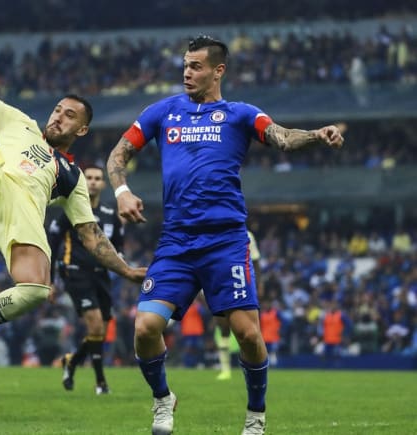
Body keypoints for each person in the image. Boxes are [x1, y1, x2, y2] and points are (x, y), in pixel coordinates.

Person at [106, 35, 344, 435]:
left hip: (226, 241)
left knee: (248, 335)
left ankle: (255, 416)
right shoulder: (163, 112)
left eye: (196, 66)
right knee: (145, 328)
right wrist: (122, 191)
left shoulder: (240, 114)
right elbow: (118, 154)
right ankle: (163, 400)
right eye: (185, 64)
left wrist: (317, 134)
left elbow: (282, 138)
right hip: (177, 241)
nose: (187, 72)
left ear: (218, 71)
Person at [0, 10, 146, 379]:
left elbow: (90, 236)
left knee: (36, 291)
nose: (58, 117)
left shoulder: (71, 176)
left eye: (69, 115)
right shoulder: (21, 122)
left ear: (83, 128)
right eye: (58, 109)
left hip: (19, 213)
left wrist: (125, 270)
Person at [47, 165, 124, 395]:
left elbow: (117, 249)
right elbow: (52, 242)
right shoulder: (71, 210)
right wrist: (50, 280)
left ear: (103, 184)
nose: (92, 181)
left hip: (101, 275)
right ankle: (101, 382)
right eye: (88, 177)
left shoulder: (111, 215)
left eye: (97, 178)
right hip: (75, 271)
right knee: (96, 324)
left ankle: (72, 361)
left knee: (99, 329)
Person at [216, 229, 262, 380]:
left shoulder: (247, 235)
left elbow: (255, 261)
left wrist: (259, 285)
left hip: (243, 284)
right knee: (223, 326)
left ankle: (252, 367)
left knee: (248, 330)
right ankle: (225, 369)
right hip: (220, 284)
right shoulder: (214, 233)